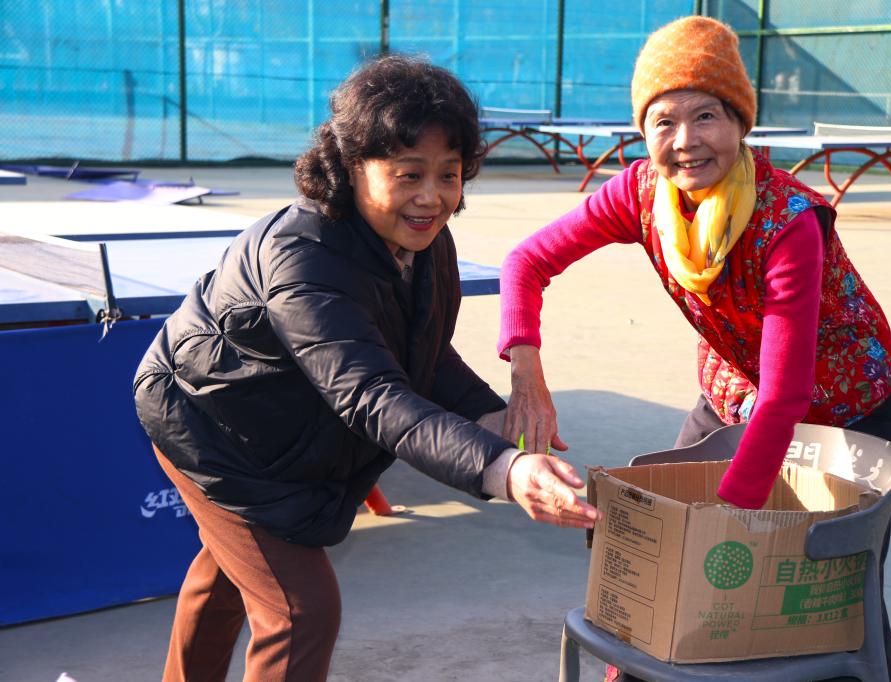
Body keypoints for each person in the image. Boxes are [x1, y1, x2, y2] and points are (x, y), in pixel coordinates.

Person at [133, 54, 598, 682]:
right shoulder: (301, 257)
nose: (432, 197)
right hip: (209, 428)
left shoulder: (425, 242)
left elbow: (421, 356)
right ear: (351, 166)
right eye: (409, 174)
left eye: (449, 174)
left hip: (283, 434)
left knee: (227, 578)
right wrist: (502, 469)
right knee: (299, 612)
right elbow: (373, 395)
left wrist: (498, 423)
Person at [497, 16, 891, 681]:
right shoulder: (639, 194)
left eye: (706, 116)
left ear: (740, 122)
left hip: (846, 404)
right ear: (644, 134)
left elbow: (787, 396)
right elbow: (526, 262)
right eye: (663, 121)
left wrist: (726, 517)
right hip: (733, 389)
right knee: (660, 549)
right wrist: (527, 373)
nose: (685, 141)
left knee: (836, 593)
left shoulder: (788, 221)